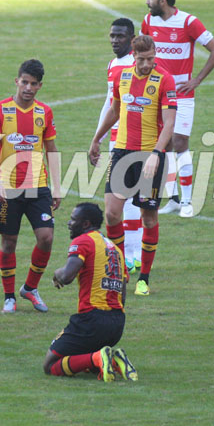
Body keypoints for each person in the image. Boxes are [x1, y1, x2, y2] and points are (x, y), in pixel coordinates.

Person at [89, 35, 177, 297]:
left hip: (150, 156)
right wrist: (97, 138)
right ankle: (121, 270)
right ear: (134, 57)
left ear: (155, 54)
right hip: (122, 153)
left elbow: (169, 123)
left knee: (148, 218)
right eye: (142, 60)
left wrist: (156, 153)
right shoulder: (122, 76)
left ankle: (144, 279)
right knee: (111, 213)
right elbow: (115, 111)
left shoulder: (165, 80)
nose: (147, 64)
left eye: (150, 58)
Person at [141, 0, 214, 218]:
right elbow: (142, 52)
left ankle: (188, 201)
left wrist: (197, 80)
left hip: (182, 94)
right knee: (163, 144)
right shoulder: (148, 21)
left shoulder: (188, 22)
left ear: (163, 1)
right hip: (157, 94)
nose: (147, 2)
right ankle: (174, 199)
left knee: (179, 142)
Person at [0, 59, 61, 313]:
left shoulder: (44, 113)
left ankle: (30, 288)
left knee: (46, 238)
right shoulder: (0, 110)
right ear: (17, 81)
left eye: (33, 84)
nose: (28, 88)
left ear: (40, 86)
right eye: (24, 82)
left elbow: (51, 149)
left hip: (37, 186)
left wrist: (57, 187)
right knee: (9, 242)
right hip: (8, 188)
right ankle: (9, 297)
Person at [43, 202, 137, 382]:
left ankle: (98, 357)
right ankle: (113, 359)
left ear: (85, 224)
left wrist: (57, 273)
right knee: (83, 360)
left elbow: (67, 276)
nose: (69, 223)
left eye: (73, 220)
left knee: (50, 365)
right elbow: (123, 294)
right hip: (117, 324)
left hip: (91, 320)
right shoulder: (115, 249)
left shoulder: (83, 241)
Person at [94, 17, 142, 275]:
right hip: (117, 139)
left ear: (132, 39)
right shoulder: (112, 65)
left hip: (140, 140)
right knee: (122, 199)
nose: (114, 40)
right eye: (112, 35)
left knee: (136, 200)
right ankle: (131, 255)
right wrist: (98, 137)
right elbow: (110, 102)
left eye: (120, 36)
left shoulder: (139, 65)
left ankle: (135, 255)